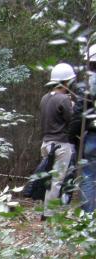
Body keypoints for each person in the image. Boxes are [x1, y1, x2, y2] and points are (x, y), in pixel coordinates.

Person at [39, 62, 76, 219]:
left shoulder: (45, 98)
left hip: (46, 143)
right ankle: (49, 214)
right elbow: (72, 120)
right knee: (57, 181)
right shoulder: (63, 99)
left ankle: (47, 210)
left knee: (50, 180)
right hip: (61, 144)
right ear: (66, 82)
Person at [69, 44, 96, 214]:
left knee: (88, 176)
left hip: (93, 137)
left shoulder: (87, 85)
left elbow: (79, 115)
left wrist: (72, 137)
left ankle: (89, 219)